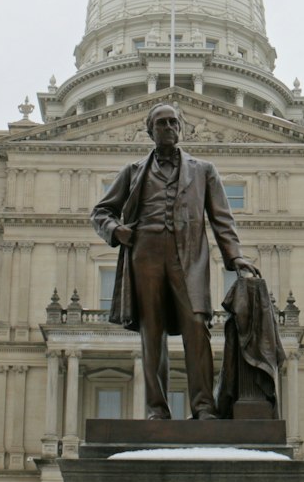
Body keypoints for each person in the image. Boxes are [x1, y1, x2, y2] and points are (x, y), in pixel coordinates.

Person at [91, 103, 258, 419]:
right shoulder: (132, 171)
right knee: (151, 331)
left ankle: (204, 406)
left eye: (173, 122)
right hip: (145, 254)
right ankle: (156, 409)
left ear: (181, 128)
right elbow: (101, 212)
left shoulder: (203, 170)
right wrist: (116, 231)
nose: (168, 127)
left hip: (189, 256)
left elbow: (222, 218)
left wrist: (234, 256)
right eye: (161, 123)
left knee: (197, 325)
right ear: (149, 130)